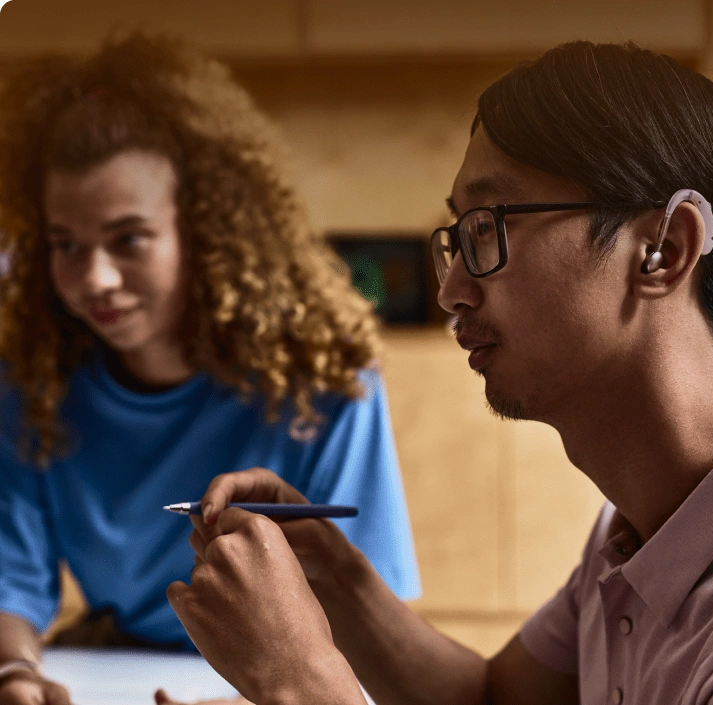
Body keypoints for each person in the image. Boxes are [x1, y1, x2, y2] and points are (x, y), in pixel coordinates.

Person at [169, 41, 713, 705]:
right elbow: (492, 700)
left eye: (488, 228)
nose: (451, 289)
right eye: (457, 237)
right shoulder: (644, 520)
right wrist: (331, 573)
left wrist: (295, 680)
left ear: (664, 250)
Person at [0, 33, 420, 704]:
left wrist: (266, 690)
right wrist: (13, 672)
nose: (95, 277)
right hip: (115, 669)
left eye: (128, 239)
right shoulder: (32, 384)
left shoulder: (328, 379)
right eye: (65, 244)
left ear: (203, 228)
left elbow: (370, 607)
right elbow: (10, 580)